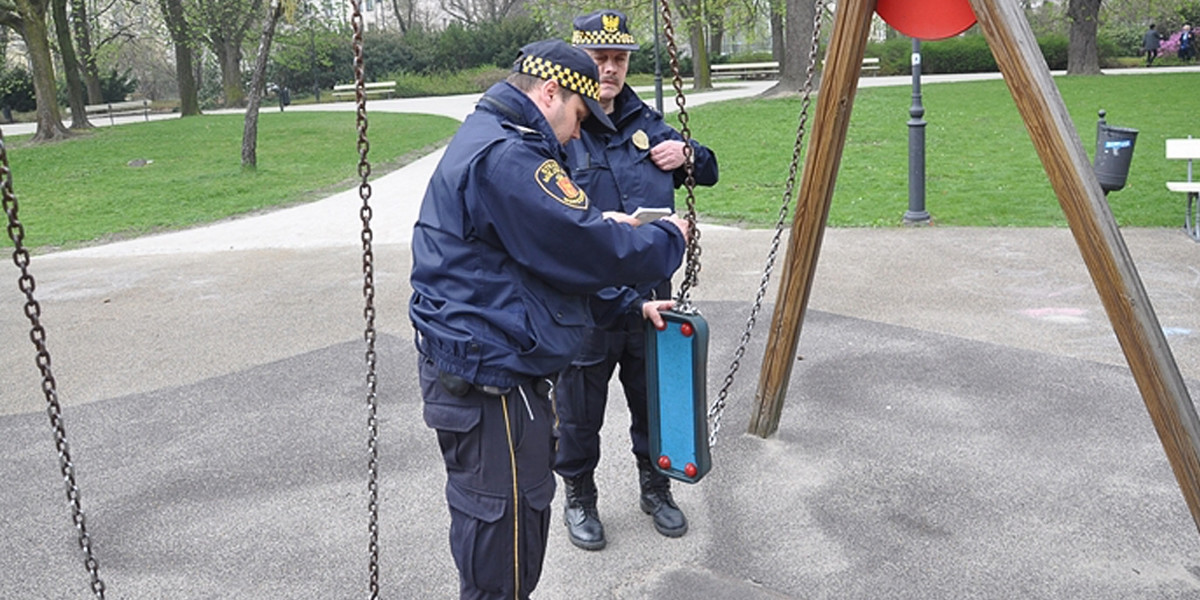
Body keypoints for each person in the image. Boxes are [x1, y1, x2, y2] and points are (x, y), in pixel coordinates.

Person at [410, 38, 691, 599]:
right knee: (502, 557)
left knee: (514, 540)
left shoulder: (501, 141)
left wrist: (628, 304)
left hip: (500, 378)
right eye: (578, 118)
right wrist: (665, 240)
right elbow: (580, 246)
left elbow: (535, 265)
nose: (575, 133)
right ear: (550, 92)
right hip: (492, 389)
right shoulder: (508, 156)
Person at [554, 9, 720, 552]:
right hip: (589, 306)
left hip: (651, 299)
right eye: (599, 59)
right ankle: (579, 496)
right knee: (579, 416)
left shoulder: (648, 124)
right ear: (581, 61)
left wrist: (689, 154)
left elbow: (709, 170)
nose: (609, 68)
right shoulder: (562, 131)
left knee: (654, 402)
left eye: (618, 59)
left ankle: (656, 488)